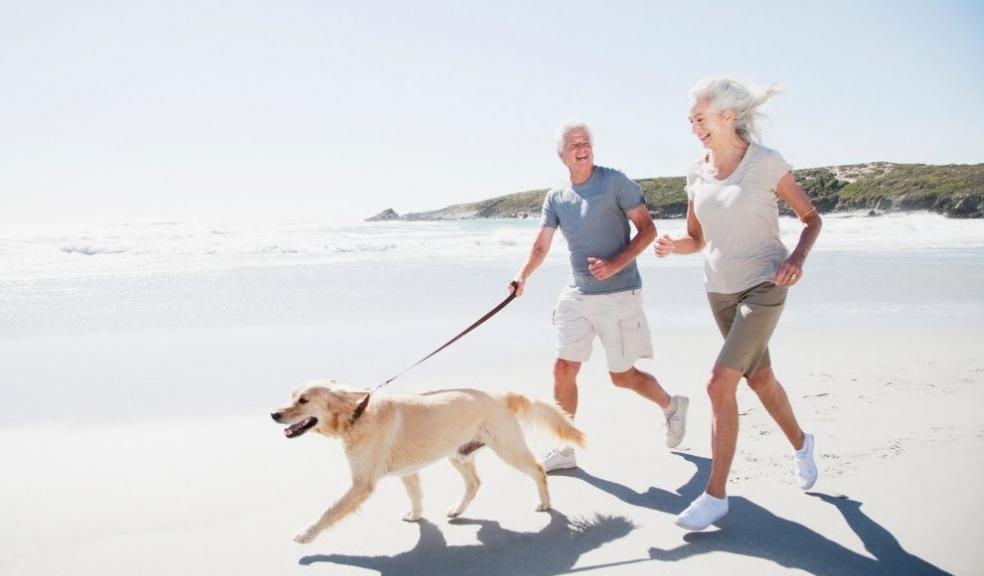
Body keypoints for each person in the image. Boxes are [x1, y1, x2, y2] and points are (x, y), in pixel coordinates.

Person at [655, 77, 822, 530]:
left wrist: (796, 259)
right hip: (720, 291)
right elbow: (696, 239)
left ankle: (715, 495)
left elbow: (811, 219)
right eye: (690, 120)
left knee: (718, 383)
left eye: (701, 117)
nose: (694, 126)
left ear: (728, 116)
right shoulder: (696, 171)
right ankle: (802, 442)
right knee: (761, 379)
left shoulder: (767, 164)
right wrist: (674, 246)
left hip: (765, 285)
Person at [511, 119, 689, 472]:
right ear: (562, 155)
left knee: (622, 376)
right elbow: (542, 243)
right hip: (577, 293)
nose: (582, 147)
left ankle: (672, 406)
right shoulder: (556, 197)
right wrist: (522, 276)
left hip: (619, 292)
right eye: (574, 144)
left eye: (586, 141)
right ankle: (564, 448)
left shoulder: (615, 183)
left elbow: (648, 229)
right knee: (563, 368)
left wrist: (615, 263)